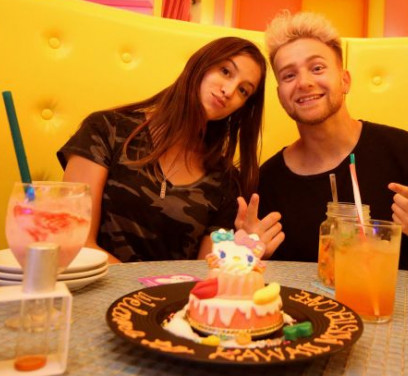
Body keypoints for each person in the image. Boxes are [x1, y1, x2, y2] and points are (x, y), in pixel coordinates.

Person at [258, 11, 408, 277]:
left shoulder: (407, 153)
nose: (304, 82)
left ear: (344, 80)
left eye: (317, 68)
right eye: (289, 76)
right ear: (280, 95)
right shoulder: (267, 180)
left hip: (386, 303)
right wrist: (248, 252)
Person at [58, 36, 277, 263]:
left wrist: (242, 254)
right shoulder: (106, 129)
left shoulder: (225, 181)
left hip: (181, 288)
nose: (229, 91)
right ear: (200, 64)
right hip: (96, 285)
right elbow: (76, 244)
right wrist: (141, 285)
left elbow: (205, 271)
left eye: (243, 91)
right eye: (225, 71)